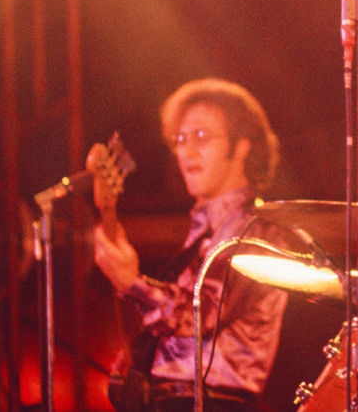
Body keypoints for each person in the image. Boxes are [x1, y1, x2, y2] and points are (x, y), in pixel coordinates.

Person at [93, 78, 289, 412]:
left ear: (241, 145)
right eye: (180, 139)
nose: (187, 151)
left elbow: (203, 314)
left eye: (201, 137)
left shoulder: (258, 229)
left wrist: (132, 283)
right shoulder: (202, 231)